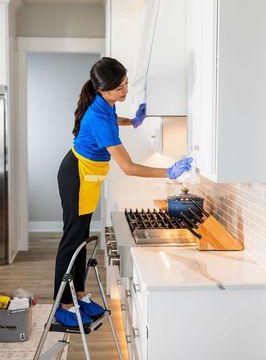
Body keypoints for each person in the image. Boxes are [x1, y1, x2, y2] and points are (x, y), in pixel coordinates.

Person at [53, 57, 192, 326]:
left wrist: (134, 121)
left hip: (87, 177)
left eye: (126, 83)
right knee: (72, 240)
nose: (125, 91)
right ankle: (64, 304)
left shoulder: (104, 104)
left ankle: (79, 295)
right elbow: (128, 167)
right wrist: (169, 171)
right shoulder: (98, 117)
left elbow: (113, 118)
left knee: (81, 238)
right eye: (119, 88)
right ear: (103, 90)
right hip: (77, 177)